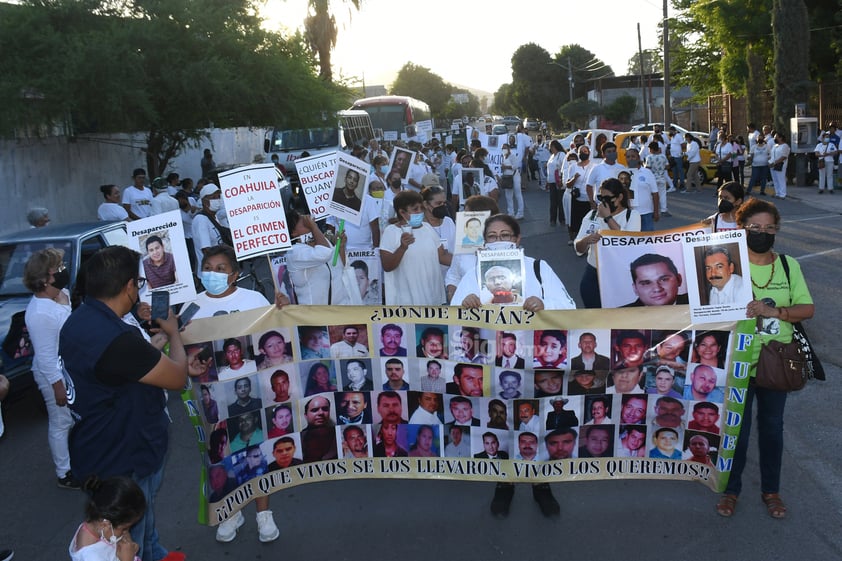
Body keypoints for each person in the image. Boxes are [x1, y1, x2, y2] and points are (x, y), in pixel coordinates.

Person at [59, 246, 189, 560]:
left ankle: (155, 552)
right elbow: (178, 378)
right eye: (138, 283)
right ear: (129, 286)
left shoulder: (79, 321)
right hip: (126, 456)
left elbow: (130, 368)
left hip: (98, 449)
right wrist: (173, 335)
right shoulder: (116, 339)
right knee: (130, 539)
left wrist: (150, 340)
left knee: (142, 525)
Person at [717, 198, 815, 520]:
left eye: (768, 228)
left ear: (776, 231)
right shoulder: (722, 264)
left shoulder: (789, 266)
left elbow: (807, 309)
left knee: (772, 429)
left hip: (777, 363)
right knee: (737, 431)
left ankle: (771, 490)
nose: (762, 233)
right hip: (738, 361)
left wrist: (776, 312)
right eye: (754, 228)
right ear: (741, 229)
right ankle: (731, 490)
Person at [23, 248, 77, 489]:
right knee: (61, 421)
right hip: (53, 374)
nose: (63, 271)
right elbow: (45, 357)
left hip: (69, 368)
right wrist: (58, 386)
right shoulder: (39, 313)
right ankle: (64, 473)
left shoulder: (60, 294)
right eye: (59, 268)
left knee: (73, 419)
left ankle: (76, 461)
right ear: (46, 278)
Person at [453, 214, 576, 311]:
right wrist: (464, 304)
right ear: (485, 242)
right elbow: (453, 312)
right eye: (492, 236)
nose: (499, 241)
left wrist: (545, 305)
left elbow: (569, 306)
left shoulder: (538, 268)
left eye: (505, 235)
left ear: (517, 239)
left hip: (531, 341)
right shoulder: (474, 274)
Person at [575, 178, 642, 308]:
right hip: (594, 274)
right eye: (601, 198)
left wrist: (608, 218)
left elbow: (628, 243)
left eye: (607, 198)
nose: (603, 202)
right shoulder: (592, 215)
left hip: (620, 275)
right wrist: (586, 240)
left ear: (619, 197)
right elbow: (578, 248)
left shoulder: (632, 215)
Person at [380, 191, 448, 305]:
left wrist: (469, 255)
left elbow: (442, 256)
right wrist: (402, 248)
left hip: (433, 300)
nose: (420, 212)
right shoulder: (391, 232)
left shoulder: (427, 227)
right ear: (402, 212)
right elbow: (387, 266)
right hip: (407, 304)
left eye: (421, 208)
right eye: (415, 209)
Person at [69, 476, 149, 561]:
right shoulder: (91, 557)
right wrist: (128, 558)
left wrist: (128, 543)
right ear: (105, 524)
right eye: (124, 528)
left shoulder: (95, 526)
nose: (126, 532)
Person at [189, 245, 271, 321]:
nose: (212, 273)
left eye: (220, 268)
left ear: (235, 275)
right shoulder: (191, 307)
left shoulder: (255, 300)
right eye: (207, 268)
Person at [285, 210, 349, 305]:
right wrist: (313, 227)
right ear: (293, 232)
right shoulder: (294, 252)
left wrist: (341, 247)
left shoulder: (322, 241)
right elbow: (324, 253)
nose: (305, 218)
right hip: (314, 315)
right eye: (299, 219)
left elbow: (339, 268)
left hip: (338, 311)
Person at [622, 254, 688, 307]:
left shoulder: (696, 301)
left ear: (679, 279)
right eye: (646, 283)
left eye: (664, 279)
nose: (657, 289)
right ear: (635, 289)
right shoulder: (619, 315)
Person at [625, 147, 660, 231]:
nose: (631, 159)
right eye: (628, 157)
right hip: (629, 213)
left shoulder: (647, 173)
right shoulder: (622, 173)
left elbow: (655, 193)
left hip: (646, 213)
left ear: (638, 158)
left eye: (633, 156)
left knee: (647, 239)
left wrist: (656, 211)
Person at [301, 396, 337, 462]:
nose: (321, 413)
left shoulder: (337, 434)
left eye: (325, 409)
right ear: (306, 415)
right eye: (314, 410)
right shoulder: (299, 438)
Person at [769, 132, 791, 199]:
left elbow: (784, 156)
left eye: (776, 137)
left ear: (781, 138)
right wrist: (770, 162)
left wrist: (775, 162)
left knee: (780, 179)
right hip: (772, 165)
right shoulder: (775, 146)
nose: (774, 138)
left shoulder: (785, 146)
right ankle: (777, 193)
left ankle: (782, 194)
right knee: (775, 179)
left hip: (780, 165)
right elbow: (771, 155)